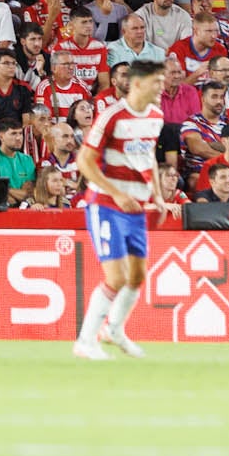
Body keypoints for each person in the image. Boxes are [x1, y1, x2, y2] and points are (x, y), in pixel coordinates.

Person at [72, 58, 174, 361]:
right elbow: (84, 162)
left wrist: (156, 195)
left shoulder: (156, 115)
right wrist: (116, 194)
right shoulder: (112, 116)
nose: (162, 87)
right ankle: (85, 341)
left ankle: (114, 329)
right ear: (139, 83)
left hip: (137, 206)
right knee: (116, 277)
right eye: (157, 81)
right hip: (106, 204)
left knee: (137, 276)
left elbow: (148, 157)